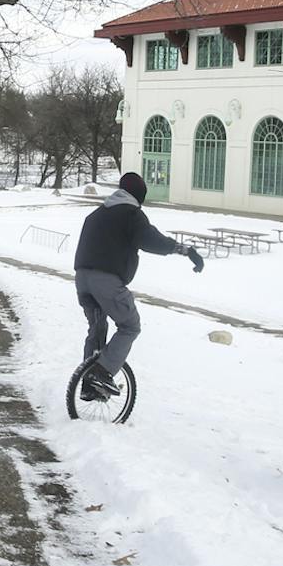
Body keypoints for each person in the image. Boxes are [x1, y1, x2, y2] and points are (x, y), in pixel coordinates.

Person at [71, 172, 203, 401]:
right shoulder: (131, 214)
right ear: (138, 195)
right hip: (107, 283)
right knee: (130, 326)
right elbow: (153, 241)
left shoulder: (96, 214)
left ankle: (87, 383)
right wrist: (186, 250)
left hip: (82, 279)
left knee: (97, 328)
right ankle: (101, 373)